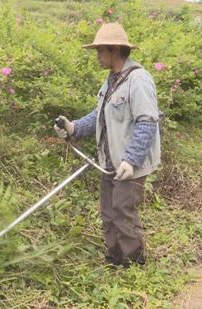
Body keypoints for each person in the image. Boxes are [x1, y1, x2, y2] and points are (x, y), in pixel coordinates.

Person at [54, 23, 161, 268]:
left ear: (115, 49)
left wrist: (131, 159)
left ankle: (135, 263)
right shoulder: (111, 80)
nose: (97, 57)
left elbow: (148, 122)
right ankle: (115, 259)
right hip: (109, 162)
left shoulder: (139, 79)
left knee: (123, 213)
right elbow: (99, 114)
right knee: (109, 212)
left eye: (100, 51)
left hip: (129, 164)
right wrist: (74, 128)